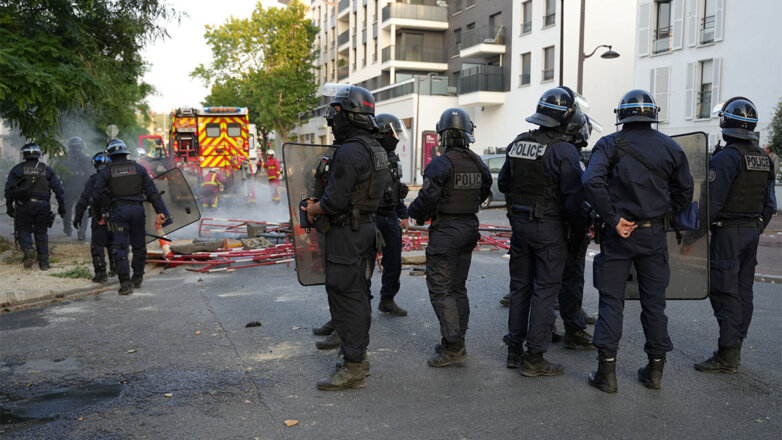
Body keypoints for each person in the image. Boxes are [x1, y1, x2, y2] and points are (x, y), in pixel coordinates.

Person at [583, 89, 693, 393]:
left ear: (621, 115)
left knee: (611, 302)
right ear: (653, 114)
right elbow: (685, 192)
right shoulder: (671, 147)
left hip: (618, 236)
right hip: (653, 235)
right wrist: (668, 217)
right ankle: (655, 371)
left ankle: (607, 374)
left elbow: (590, 180)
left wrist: (613, 218)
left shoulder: (609, 144)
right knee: (654, 305)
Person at [301, 84, 390, 390]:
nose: (332, 119)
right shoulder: (375, 148)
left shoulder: (351, 150)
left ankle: (352, 366)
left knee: (346, 296)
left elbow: (335, 202)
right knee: (359, 294)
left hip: (346, 234)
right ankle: (359, 359)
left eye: (336, 112)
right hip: (365, 229)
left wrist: (313, 208)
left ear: (349, 113)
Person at [498, 87, 589, 377]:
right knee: (545, 292)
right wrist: (577, 234)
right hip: (549, 228)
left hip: (520, 226)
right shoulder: (564, 150)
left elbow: (503, 184)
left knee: (520, 288)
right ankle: (534, 357)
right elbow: (574, 199)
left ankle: (514, 350)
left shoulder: (518, 142)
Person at [694, 97, 776, 374]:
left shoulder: (725, 158)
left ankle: (727, 355)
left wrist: (693, 234)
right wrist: (756, 226)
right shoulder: (763, 158)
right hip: (752, 232)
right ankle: (735, 346)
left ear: (726, 123)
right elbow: (770, 204)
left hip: (728, 234)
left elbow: (712, 203)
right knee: (743, 291)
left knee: (724, 291)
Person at [408, 108, 492, 368]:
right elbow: (485, 190)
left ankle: (453, 346)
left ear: (442, 134)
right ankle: (455, 340)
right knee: (458, 288)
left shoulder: (441, 163)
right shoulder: (478, 162)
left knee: (441, 289)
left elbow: (427, 198)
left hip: (446, 231)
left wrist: (414, 214)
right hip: (469, 228)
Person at [88, 139, 170, 295]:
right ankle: (137, 278)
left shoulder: (106, 171)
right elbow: (152, 191)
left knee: (120, 248)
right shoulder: (138, 168)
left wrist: (99, 216)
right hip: (138, 211)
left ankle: (125, 284)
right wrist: (161, 212)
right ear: (125, 153)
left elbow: (96, 197)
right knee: (139, 246)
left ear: (110, 155)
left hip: (118, 212)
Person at [4, 143, 66, 270]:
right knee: (41, 232)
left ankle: (28, 250)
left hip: (24, 205)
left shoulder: (18, 169)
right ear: (39, 154)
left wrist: (9, 206)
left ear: (24, 154)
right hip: (43, 206)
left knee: (23, 231)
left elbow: (9, 189)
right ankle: (44, 263)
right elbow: (59, 190)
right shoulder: (47, 170)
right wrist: (61, 206)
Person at [373, 113, 411, 317]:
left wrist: (403, 214)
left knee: (394, 262)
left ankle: (387, 299)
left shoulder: (392, 157)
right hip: (371, 216)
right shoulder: (368, 154)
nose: (396, 138)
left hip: (390, 215)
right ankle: (360, 306)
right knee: (364, 264)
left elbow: (396, 188)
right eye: (394, 133)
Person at [73, 152, 115, 282]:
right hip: (115, 216)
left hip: (99, 218)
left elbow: (83, 200)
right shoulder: (116, 180)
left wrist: (78, 217)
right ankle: (116, 269)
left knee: (97, 245)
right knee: (113, 243)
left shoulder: (92, 181)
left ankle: (101, 274)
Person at [59, 136, 92, 240]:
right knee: (83, 210)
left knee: (67, 209)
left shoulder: (63, 159)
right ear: (81, 146)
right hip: (82, 188)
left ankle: (68, 229)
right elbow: (90, 174)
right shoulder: (87, 159)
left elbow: (59, 173)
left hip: (68, 187)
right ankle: (81, 232)